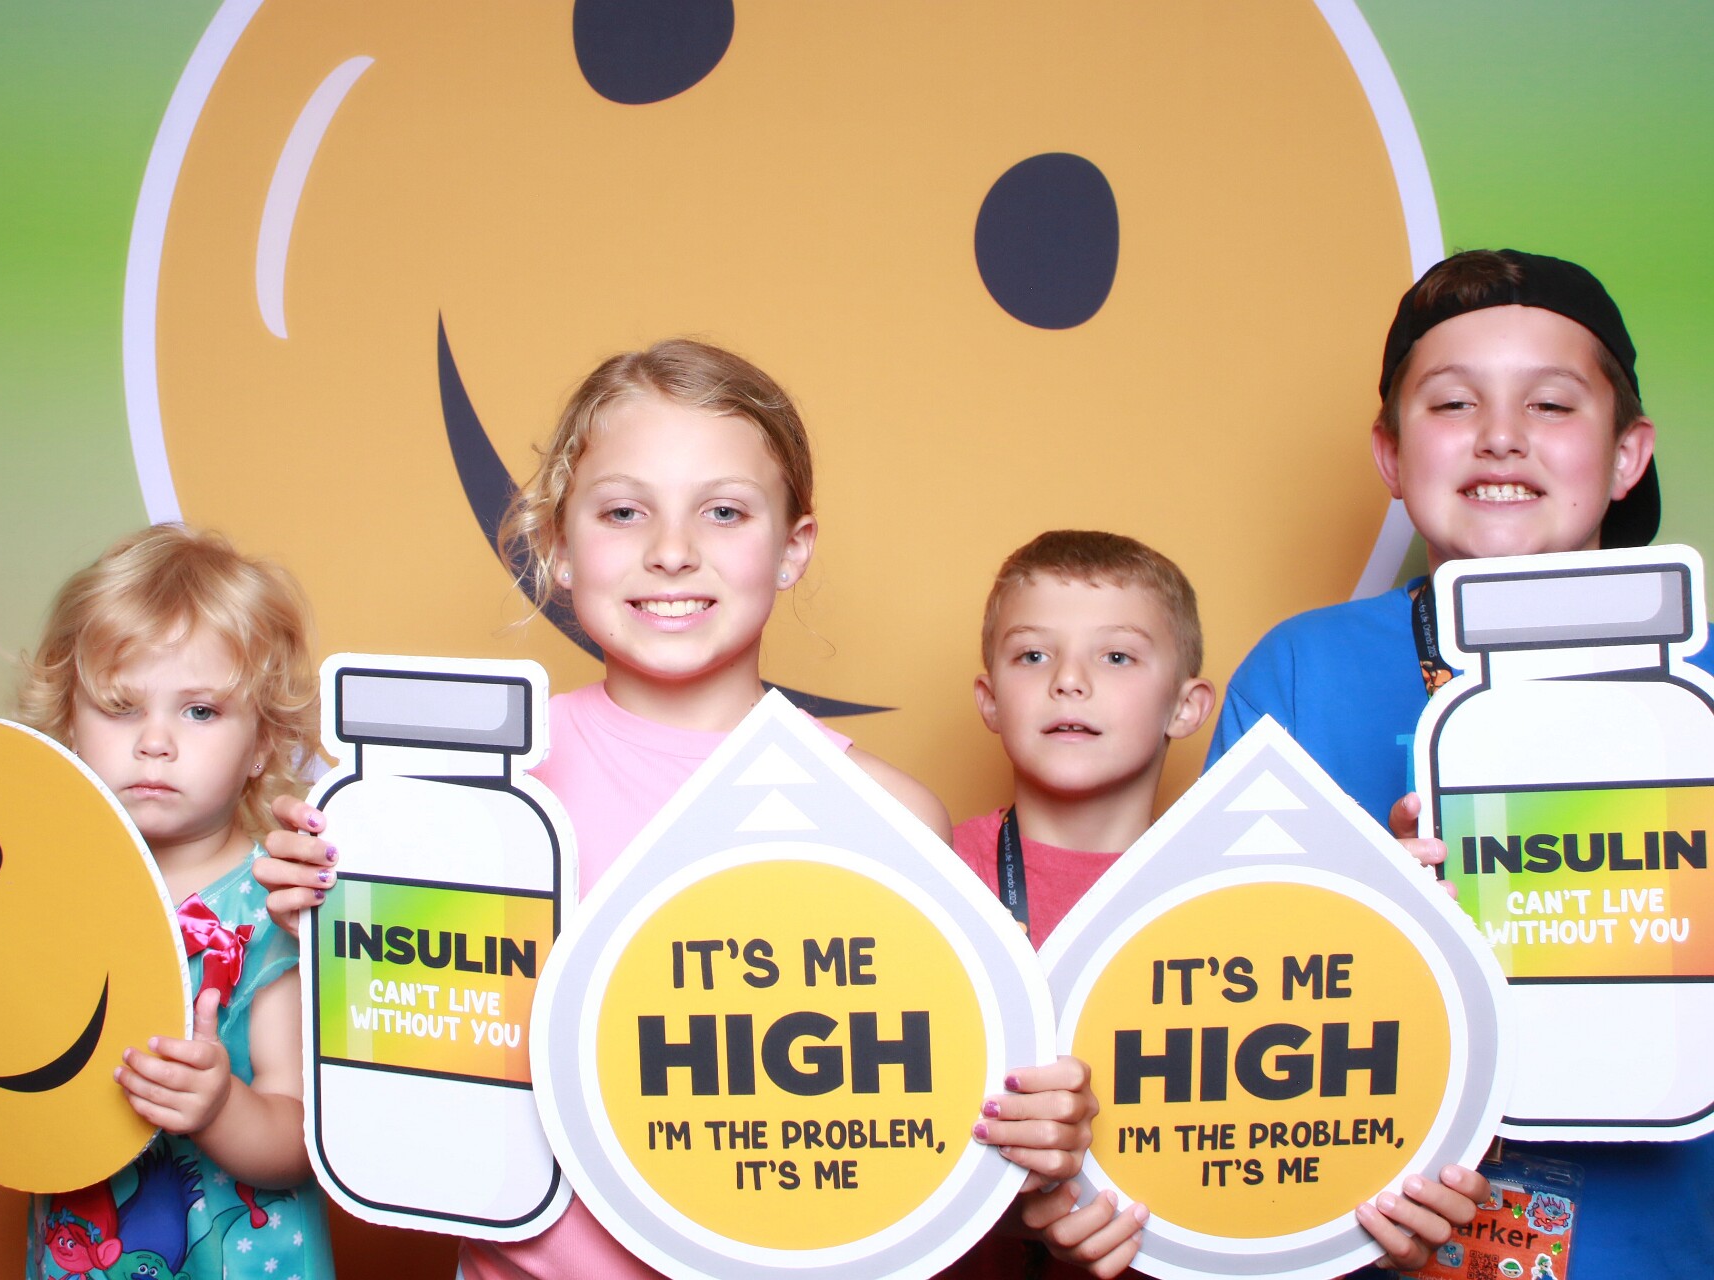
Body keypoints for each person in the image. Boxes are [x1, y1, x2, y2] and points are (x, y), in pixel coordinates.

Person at [254, 338, 1099, 1278]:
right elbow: (407, 1065)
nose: (670, 552)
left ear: (792, 549)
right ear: (557, 547)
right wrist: (335, 915)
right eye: (624, 512)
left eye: (723, 512)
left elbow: (917, 1121)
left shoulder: (889, 815)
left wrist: (1033, 1145)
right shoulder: (472, 790)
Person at [1208, 248, 1711, 1279]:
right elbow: (1224, 999)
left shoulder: (1697, 689)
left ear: (1628, 455)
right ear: (1392, 455)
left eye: (1551, 405)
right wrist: (1369, 930)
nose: (1501, 435)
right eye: (1452, 403)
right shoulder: (1298, 672)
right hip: (1376, 1234)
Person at [0, 524, 335, 1279]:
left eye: (200, 711)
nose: (155, 742)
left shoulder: (275, 903)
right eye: (120, 707)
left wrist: (222, 1107)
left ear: (262, 744)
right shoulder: (36, 893)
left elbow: (301, 1142)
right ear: (69, 725)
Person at [959, 529, 1488, 1277]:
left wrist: (1379, 1203)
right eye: (1032, 656)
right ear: (989, 700)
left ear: (1188, 707)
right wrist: (1021, 1209)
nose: (1069, 681)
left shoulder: (1266, 897)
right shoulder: (932, 884)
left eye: (1117, 657)